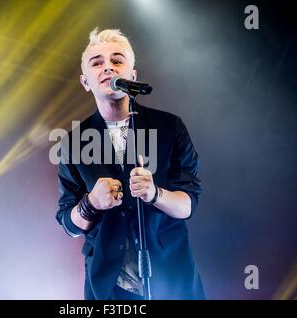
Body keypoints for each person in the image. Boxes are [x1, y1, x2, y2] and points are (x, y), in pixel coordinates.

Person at [56, 28, 204, 300]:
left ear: (132, 76)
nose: (108, 68)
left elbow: (189, 204)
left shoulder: (169, 127)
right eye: (97, 63)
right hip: (110, 288)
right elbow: (69, 224)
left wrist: (155, 194)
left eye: (117, 60)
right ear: (85, 81)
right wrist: (91, 203)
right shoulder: (74, 142)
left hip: (171, 279)